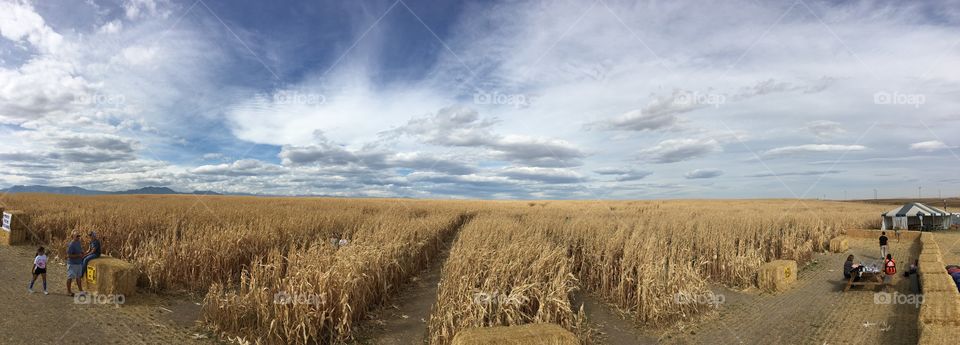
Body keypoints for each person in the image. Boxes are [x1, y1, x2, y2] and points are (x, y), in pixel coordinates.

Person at [66, 232, 85, 296]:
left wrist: (82, 252)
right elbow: (69, 255)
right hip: (72, 264)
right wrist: (78, 255)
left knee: (78, 277)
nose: (78, 237)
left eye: (78, 236)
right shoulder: (71, 244)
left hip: (79, 263)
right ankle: (69, 292)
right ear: (73, 237)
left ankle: (81, 291)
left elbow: (80, 250)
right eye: (77, 236)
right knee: (70, 278)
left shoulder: (78, 242)